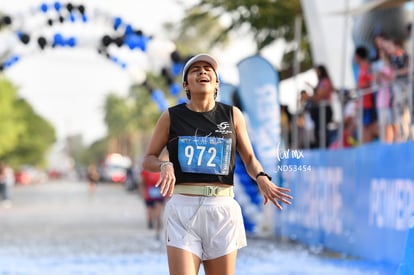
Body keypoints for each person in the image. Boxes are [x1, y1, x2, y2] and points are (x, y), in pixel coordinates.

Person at [142, 53, 292, 275]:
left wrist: (262, 177)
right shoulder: (171, 116)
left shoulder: (232, 115)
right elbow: (148, 159)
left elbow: (249, 158)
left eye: (208, 69)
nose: (202, 71)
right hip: (183, 209)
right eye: (195, 69)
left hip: (222, 210)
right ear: (186, 84)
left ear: (216, 82)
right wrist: (165, 165)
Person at [306, 65, 334, 148]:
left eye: (317, 72)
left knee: (322, 131)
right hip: (320, 110)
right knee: (318, 132)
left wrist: (310, 96)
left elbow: (321, 95)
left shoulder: (325, 81)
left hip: (324, 109)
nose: (316, 74)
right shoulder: (321, 82)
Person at [139, 169, 165, 240]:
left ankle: (157, 231)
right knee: (150, 214)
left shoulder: (162, 169)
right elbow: (142, 183)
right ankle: (150, 223)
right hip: (149, 195)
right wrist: (143, 193)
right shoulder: (145, 170)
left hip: (159, 195)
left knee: (158, 215)